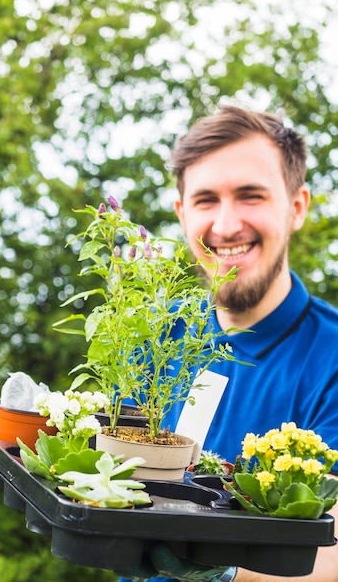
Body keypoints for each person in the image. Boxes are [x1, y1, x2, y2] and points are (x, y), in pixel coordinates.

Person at [119, 105, 338, 582]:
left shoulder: (332, 359)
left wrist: (226, 574)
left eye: (250, 195)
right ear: (181, 213)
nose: (225, 225)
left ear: (297, 207)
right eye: (205, 200)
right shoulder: (151, 338)